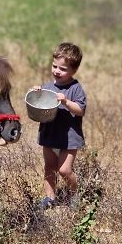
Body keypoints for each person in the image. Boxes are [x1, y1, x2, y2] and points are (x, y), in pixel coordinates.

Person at [32, 42, 87, 209]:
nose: (57, 71)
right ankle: (49, 198)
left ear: (73, 70)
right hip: (50, 132)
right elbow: (39, 107)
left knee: (64, 170)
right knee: (49, 167)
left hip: (69, 136)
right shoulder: (48, 87)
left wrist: (66, 101)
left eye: (63, 69)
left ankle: (75, 195)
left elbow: (81, 110)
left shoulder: (75, 88)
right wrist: (37, 93)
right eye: (55, 66)